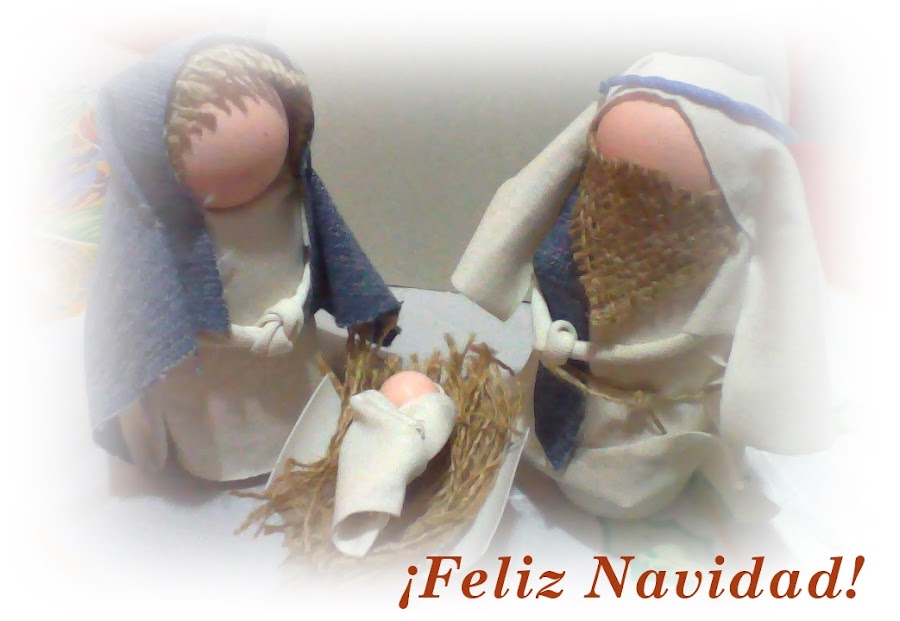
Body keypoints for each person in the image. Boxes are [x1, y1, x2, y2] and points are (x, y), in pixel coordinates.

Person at [452, 52, 834, 520]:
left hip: (647, 432)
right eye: (606, 185)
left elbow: (744, 334)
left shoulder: (722, 275)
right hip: (552, 393)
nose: (625, 223)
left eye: (667, 209)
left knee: (628, 480)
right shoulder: (573, 228)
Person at [85, 35, 400, 482]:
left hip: (293, 361)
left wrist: (301, 312)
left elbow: (329, 251)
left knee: (306, 406)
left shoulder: (289, 190)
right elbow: (129, 316)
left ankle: (310, 420)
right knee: (217, 410)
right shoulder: (151, 230)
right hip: (214, 398)